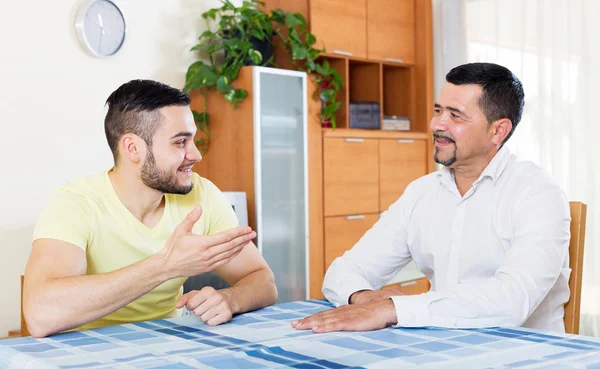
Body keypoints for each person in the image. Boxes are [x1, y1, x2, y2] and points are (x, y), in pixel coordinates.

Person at [292, 62, 571, 334]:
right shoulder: (421, 193)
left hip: (526, 354)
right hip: (443, 347)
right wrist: (363, 296)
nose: (437, 124)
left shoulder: (538, 194)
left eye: (455, 115)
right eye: (438, 110)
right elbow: (345, 270)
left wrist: (393, 309)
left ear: (498, 130)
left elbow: (513, 300)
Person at [23, 80, 277, 338]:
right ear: (133, 148)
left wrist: (230, 299)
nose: (196, 154)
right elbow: (39, 315)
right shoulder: (75, 203)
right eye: (180, 142)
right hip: (87, 350)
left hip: (169, 345)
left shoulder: (202, 195)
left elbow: (263, 280)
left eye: (192, 140)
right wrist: (165, 266)